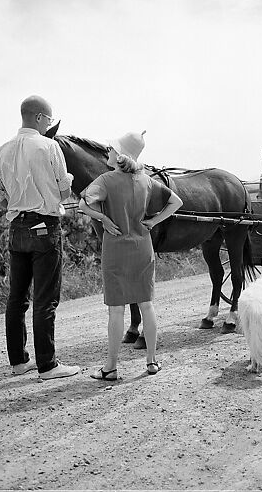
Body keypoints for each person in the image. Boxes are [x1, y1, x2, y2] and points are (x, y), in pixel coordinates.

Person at [0, 95, 80, 380]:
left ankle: (18, 362)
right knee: (45, 298)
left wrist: (17, 204)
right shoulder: (49, 146)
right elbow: (64, 192)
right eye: (49, 119)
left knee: (17, 298)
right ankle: (48, 365)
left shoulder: (1, 151)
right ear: (39, 118)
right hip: (45, 228)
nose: (49, 124)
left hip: (17, 230)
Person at [78, 130, 183, 381]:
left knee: (116, 311)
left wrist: (103, 218)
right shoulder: (146, 181)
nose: (109, 152)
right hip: (142, 247)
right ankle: (152, 362)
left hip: (115, 249)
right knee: (147, 305)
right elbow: (176, 201)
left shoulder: (105, 180)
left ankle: (111, 368)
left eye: (112, 149)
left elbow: (83, 204)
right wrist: (153, 221)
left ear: (121, 155)